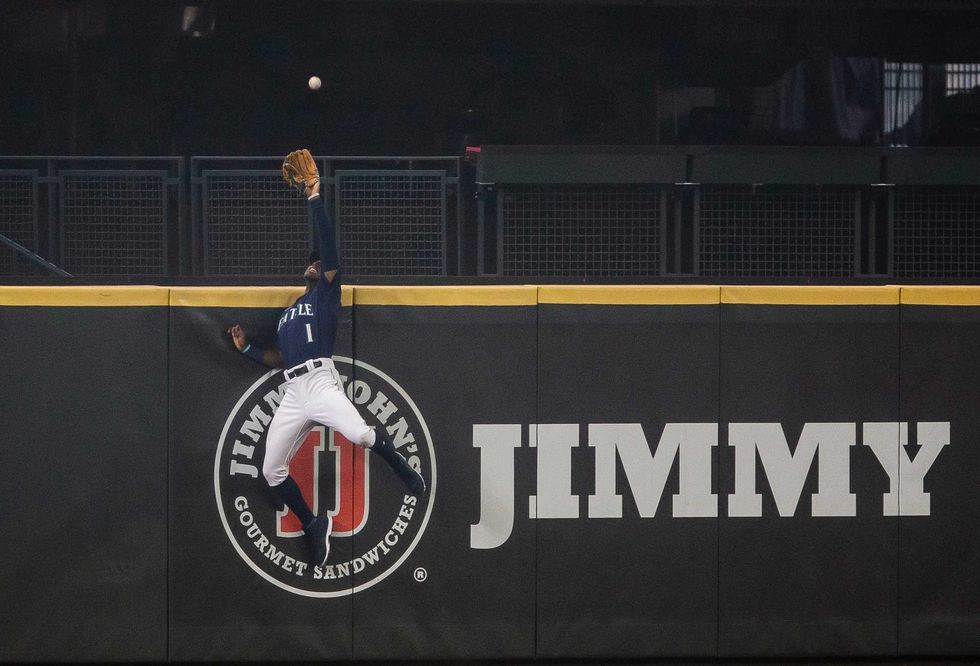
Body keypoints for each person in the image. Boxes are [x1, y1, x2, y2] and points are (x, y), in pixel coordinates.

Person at [226, 149, 425, 569]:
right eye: (312, 263)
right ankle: (315, 524)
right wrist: (246, 348)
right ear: (304, 271)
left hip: (321, 381)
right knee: (270, 470)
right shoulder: (286, 315)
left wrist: (315, 197)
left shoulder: (325, 297)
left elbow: (330, 251)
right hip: (294, 389)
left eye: (321, 263)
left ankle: (403, 470)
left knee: (361, 433)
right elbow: (278, 358)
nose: (318, 264)